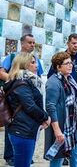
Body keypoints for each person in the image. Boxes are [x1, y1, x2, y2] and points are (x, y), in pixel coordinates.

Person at [0, 34, 44, 166]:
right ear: (22, 43)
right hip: (16, 106)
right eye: (30, 42)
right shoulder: (13, 57)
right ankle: (9, 156)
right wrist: (16, 80)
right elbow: (2, 72)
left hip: (29, 119)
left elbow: (39, 76)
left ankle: (24, 156)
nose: (32, 45)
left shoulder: (35, 59)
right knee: (13, 126)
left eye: (34, 43)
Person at [45, 52, 77, 167]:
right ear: (58, 67)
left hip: (72, 126)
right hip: (61, 127)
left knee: (76, 156)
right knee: (57, 159)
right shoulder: (53, 82)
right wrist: (57, 131)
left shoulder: (70, 79)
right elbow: (50, 107)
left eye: (70, 63)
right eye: (67, 63)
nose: (70, 65)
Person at [4, 53, 50, 167]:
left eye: (36, 62)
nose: (36, 65)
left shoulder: (26, 80)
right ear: (24, 64)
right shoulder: (21, 82)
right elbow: (30, 106)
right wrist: (45, 117)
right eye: (32, 62)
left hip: (24, 129)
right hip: (22, 130)